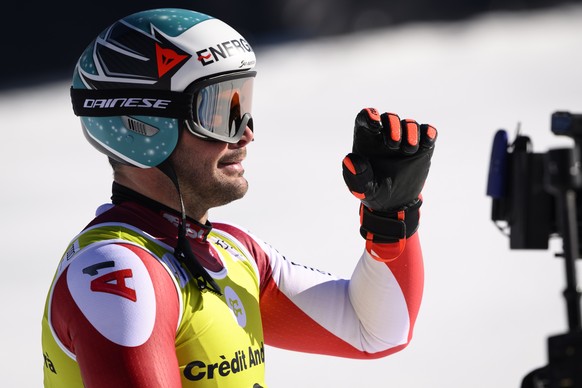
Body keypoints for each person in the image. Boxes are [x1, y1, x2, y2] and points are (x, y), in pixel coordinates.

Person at [41, 7, 437, 388]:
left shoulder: (230, 251)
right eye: (219, 111)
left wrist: (390, 218)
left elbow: (376, 331)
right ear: (143, 126)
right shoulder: (118, 273)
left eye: (242, 104)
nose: (245, 133)